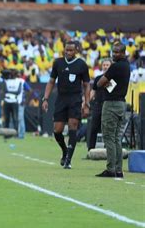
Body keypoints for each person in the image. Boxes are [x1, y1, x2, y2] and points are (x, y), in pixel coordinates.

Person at [42, 41, 90, 169]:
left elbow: (86, 85)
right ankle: (64, 150)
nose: (68, 52)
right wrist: (45, 98)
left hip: (75, 100)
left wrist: (87, 103)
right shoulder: (58, 63)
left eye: (71, 50)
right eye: (66, 50)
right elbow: (51, 81)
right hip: (61, 99)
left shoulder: (82, 65)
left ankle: (68, 159)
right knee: (57, 130)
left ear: (76, 51)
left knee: (73, 126)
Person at [96, 44, 130, 178]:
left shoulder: (115, 66)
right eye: (113, 52)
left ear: (123, 53)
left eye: (117, 52)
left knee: (109, 137)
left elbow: (99, 83)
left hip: (111, 104)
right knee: (116, 138)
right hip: (122, 103)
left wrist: (105, 80)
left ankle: (111, 169)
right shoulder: (126, 65)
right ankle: (118, 170)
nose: (114, 54)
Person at [88, 58, 112, 151]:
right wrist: (87, 102)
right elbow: (93, 91)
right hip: (97, 105)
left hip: (108, 105)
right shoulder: (98, 78)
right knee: (94, 128)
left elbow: (111, 90)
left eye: (107, 65)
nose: (105, 67)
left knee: (107, 129)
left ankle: (108, 150)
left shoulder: (113, 79)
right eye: (104, 65)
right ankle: (90, 150)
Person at [1, 69, 23, 137]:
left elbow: (18, 91)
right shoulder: (6, 81)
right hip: (7, 101)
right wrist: (13, 92)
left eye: (13, 73)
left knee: (15, 118)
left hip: (14, 101)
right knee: (6, 118)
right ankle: (6, 134)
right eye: (11, 73)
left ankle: (16, 134)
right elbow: (4, 91)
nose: (12, 74)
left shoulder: (19, 81)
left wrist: (9, 92)